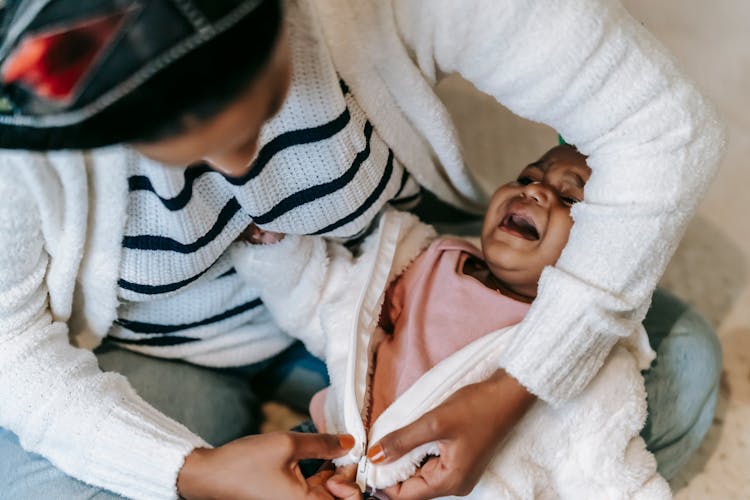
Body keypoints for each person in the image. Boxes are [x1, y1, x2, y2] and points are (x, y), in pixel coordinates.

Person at [0, 0, 724, 498]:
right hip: (153, 352)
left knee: (679, 361)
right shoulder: (23, 104)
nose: (241, 175)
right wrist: (187, 470)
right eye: (184, 151)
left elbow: (665, 128)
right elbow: (13, 349)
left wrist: (516, 388)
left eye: (256, 119)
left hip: (383, 285)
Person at [231, 144, 672, 498]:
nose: (534, 192)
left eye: (570, 198)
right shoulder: (429, 258)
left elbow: (603, 461)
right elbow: (335, 305)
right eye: (527, 177)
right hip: (331, 450)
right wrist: (279, 252)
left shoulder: (577, 345)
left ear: (607, 261)